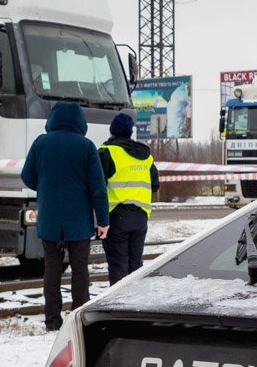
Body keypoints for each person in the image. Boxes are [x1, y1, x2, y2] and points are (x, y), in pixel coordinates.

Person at [21, 102, 110, 331]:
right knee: (80, 270)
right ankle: (78, 320)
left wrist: (44, 186)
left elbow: (27, 176)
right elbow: (97, 188)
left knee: (51, 270)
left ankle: (52, 320)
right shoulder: (86, 146)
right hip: (79, 223)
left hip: (50, 220)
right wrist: (103, 221)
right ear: (80, 121)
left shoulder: (41, 143)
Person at [98, 112, 159, 285]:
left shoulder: (107, 152)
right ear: (130, 132)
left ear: (112, 132)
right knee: (136, 264)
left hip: (116, 216)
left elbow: (97, 185)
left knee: (118, 265)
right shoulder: (145, 156)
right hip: (141, 216)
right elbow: (155, 185)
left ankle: (118, 306)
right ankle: (134, 304)